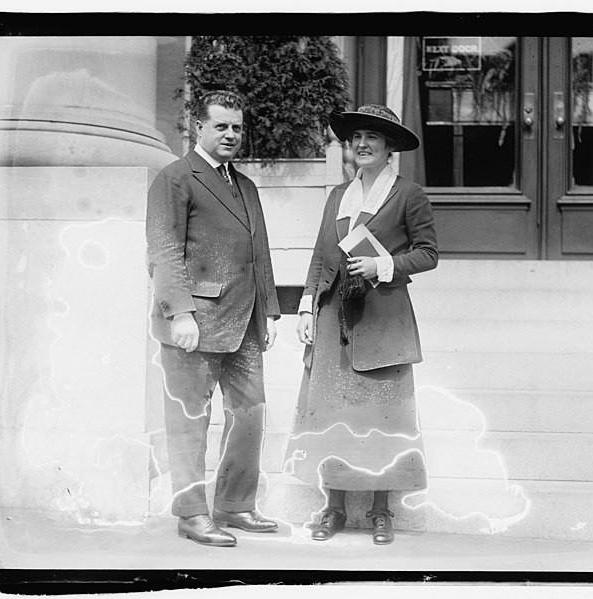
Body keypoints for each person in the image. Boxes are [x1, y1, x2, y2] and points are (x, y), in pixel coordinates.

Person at [285, 104, 438, 545]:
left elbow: (428, 253)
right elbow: (320, 254)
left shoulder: (409, 194)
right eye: (356, 138)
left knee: (382, 417)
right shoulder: (338, 195)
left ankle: (380, 510)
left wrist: (382, 264)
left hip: (383, 314)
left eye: (373, 136)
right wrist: (306, 307)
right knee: (332, 412)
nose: (363, 144)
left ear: (390, 147)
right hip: (336, 314)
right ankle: (332, 508)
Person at [146, 90, 280, 547]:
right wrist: (180, 313)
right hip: (194, 325)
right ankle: (190, 513)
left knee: (250, 417)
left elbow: (258, 253)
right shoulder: (175, 178)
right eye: (221, 125)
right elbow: (164, 251)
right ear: (197, 127)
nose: (230, 134)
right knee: (189, 421)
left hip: (244, 324)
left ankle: (235, 505)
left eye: (237, 127)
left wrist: (271, 311)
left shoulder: (245, 186)